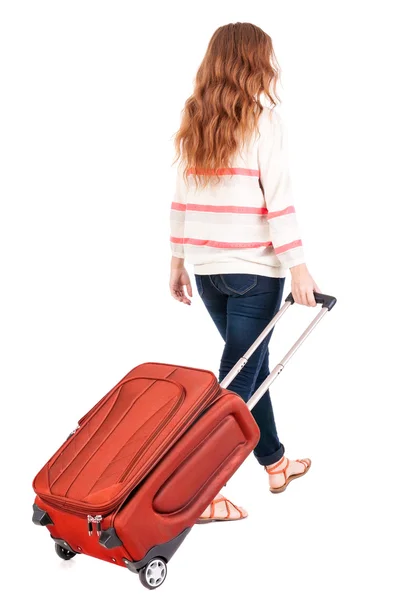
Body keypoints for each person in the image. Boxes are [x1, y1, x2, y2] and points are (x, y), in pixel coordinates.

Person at [169, 22, 321, 523]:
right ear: (253, 62)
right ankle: (200, 492)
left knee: (250, 372)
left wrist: (177, 260)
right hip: (256, 270)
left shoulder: (195, 119)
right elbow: (278, 201)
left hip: (209, 270)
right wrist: (299, 268)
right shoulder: (261, 121)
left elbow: (181, 198)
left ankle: (275, 462)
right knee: (236, 382)